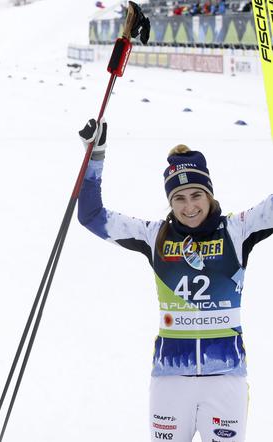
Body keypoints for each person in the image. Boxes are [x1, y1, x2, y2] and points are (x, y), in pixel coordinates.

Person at [77, 119, 260, 442]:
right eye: (179, 198)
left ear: (209, 195)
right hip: (170, 379)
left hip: (226, 378)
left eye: (196, 195)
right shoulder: (155, 236)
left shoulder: (237, 230)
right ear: (170, 202)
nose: (189, 207)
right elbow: (91, 216)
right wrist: (95, 158)